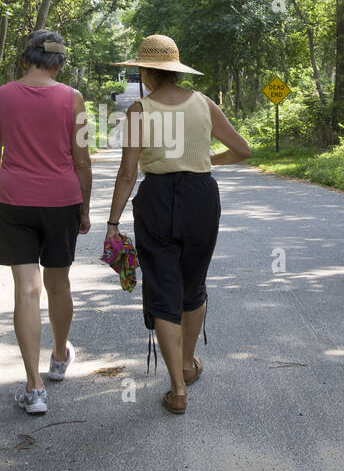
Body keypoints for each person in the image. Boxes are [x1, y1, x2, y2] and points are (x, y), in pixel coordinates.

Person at [103, 35, 251, 414]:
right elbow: (243, 150)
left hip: (156, 200)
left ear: (145, 72)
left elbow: (126, 174)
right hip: (201, 198)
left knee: (162, 287)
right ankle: (188, 363)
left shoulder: (139, 110)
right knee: (193, 281)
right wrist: (202, 162)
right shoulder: (204, 103)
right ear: (175, 69)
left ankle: (177, 388)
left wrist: (113, 222)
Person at [0, 30, 93, 415]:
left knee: (26, 291)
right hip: (62, 201)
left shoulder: (2, 95)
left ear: (23, 58)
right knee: (58, 283)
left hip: (15, 202)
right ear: (59, 64)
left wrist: (11, 184)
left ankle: (33, 388)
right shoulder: (73, 99)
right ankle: (60, 356)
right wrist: (84, 209)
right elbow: (81, 160)